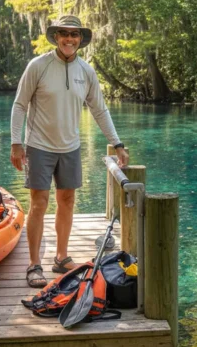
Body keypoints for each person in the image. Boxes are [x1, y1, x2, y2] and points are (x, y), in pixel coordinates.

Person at [10, 15, 129, 288]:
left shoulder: (86, 71)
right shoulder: (38, 66)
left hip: (71, 147)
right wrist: (16, 142)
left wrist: (118, 143)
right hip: (38, 146)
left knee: (67, 202)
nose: (69, 39)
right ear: (56, 37)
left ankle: (61, 258)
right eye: (63, 33)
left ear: (80, 40)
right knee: (39, 204)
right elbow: (19, 105)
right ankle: (34, 264)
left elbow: (99, 109)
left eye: (74, 35)